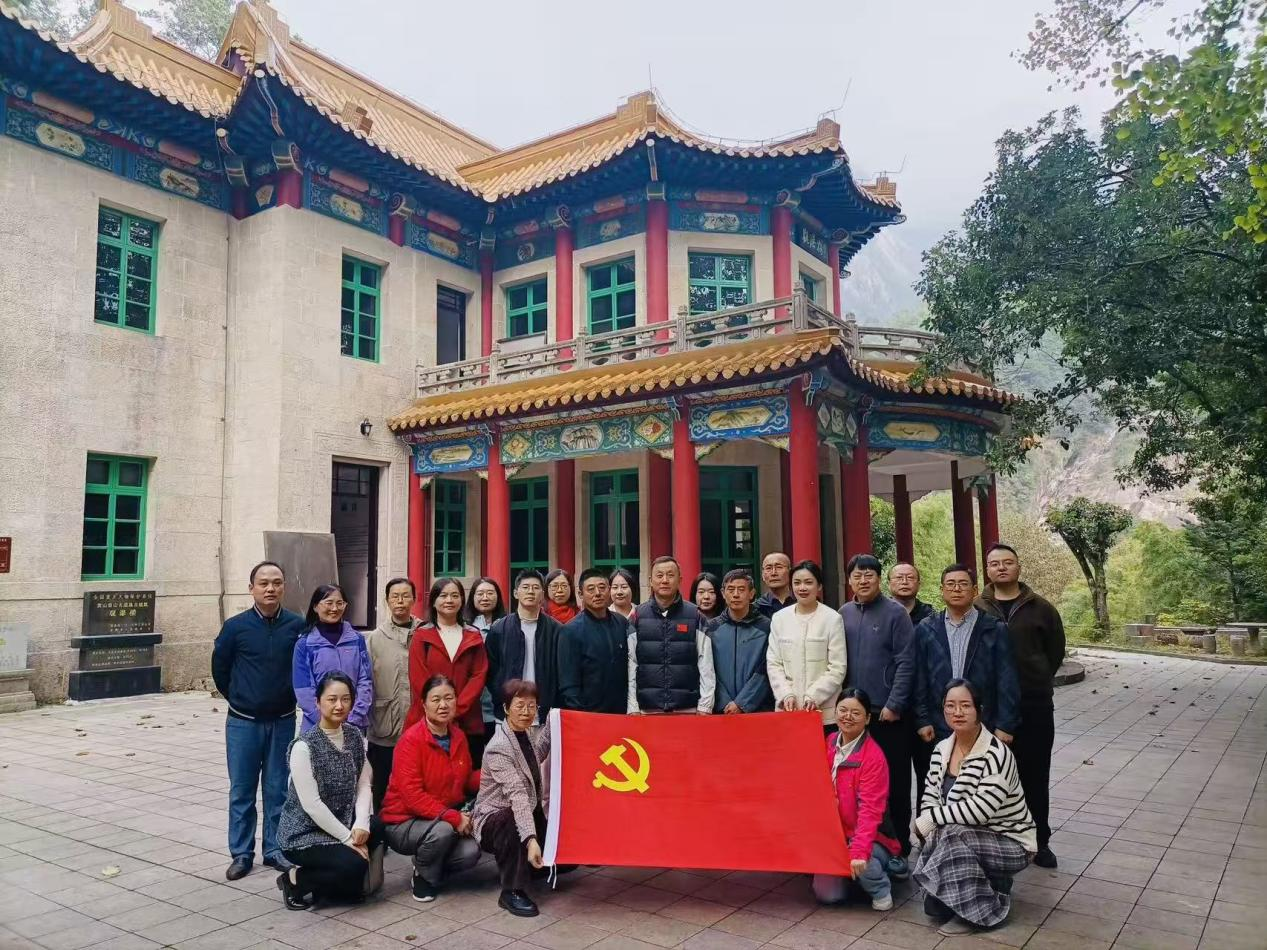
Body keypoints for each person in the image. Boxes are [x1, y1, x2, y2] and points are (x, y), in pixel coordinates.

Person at [913, 679, 1035, 936]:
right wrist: (929, 821)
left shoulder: (996, 754)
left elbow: (980, 811)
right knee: (934, 906)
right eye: (950, 705)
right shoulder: (941, 749)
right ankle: (988, 883)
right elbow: (929, 797)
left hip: (1011, 842)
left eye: (965, 705)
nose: (957, 712)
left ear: (979, 710)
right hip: (965, 836)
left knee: (952, 832)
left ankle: (979, 912)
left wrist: (930, 819)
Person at [211, 561, 307, 880]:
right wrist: (241, 697)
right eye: (263, 583)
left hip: (282, 721)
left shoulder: (297, 625)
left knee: (278, 789)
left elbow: (302, 667)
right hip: (243, 722)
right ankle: (241, 853)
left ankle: (275, 849)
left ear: (284, 587)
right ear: (251, 588)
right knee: (242, 790)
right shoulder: (235, 627)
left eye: (276, 582)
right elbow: (220, 669)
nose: (270, 588)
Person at [977, 542, 1065, 869]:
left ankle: (1039, 841)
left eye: (1007, 562)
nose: (1001, 568)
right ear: (987, 569)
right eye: (995, 563)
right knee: (990, 777)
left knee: (1035, 775)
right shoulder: (978, 608)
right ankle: (996, 840)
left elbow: (1054, 652)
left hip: (1034, 705)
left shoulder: (1041, 608)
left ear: (1018, 567)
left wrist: (1036, 680)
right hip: (990, 709)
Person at [911, 565, 1020, 812]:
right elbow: (919, 678)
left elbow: (1007, 679)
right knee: (936, 784)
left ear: (975, 590)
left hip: (983, 721)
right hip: (939, 721)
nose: (956, 589)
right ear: (942, 590)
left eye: (963, 584)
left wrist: (1006, 724)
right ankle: (931, 830)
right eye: (950, 584)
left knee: (983, 784)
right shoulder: (926, 628)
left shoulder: (994, 628)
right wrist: (922, 719)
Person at [275, 671, 382, 910]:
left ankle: (336, 886)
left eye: (345, 699)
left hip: (341, 819)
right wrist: (348, 839)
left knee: (378, 826)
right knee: (354, 863)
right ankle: (294, 880)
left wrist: (361, 824)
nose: (339, 706)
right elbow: (312, 805)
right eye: (332, 699)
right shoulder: (304, 747)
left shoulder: (354, 735)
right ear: (318, 702)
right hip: (304, 832)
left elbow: (364, 783)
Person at [841, 554, 916, 876]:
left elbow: (906, 662)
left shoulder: (896, 614)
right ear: (849, 580)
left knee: (895, 783)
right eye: (857, 575)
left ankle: (900, 847)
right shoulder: (843, 613)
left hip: (886, 714)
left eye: (869, 575)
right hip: (853, 715)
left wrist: (895, 703)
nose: (863, 580)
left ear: (879, 578)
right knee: (856, 785)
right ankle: (864, 844)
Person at [379, 675, 482, 902]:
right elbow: (412, 796)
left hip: (439, 817)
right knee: (442, 832)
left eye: (449, 698)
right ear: (424, 704)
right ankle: (424, 876)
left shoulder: (458, 736)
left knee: (471, 852)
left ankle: (428, 864)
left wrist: (491, 775)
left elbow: (465, 780)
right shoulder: (411, 740)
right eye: (436, 700)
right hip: (403, 821)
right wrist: (454, 818)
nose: (443, 705)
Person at [811, 688, 903, 911]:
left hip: (871, 837)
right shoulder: (829, 742)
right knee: (828, 895)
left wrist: (859, 852)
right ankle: (851, 876)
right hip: (836, 834)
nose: (847, 717)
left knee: (865, 861)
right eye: (843, 710)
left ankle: (881, 887)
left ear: (868, 718)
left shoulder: (873, 758)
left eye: (856, 712)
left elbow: (870, 812)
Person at [471, 679, 551, 918]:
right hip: (495, 820)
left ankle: (530, 865)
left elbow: (536, 755)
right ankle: (512, 891)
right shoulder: (498, 746)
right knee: (512, 820)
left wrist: (554, 723)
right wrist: (531, 839)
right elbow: (517, 794)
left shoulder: (524, 733)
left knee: (563, 859)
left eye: (532, 706)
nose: (526, 712)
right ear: (506, 708)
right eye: (520, 706)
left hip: (526, 811)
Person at [404, 579, 489, 747]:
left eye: (455, 596)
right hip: (428, 721)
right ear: (433, 601)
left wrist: (456, 708)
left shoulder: (473, 635)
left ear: (462, 600)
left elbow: (479, 675)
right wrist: (439, 707)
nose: (449, 600)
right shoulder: (422, 636)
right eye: (443, 596)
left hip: (467, 722)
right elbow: (418, 678)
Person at [628, 556, 716, 714]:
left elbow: (706, 664)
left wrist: (705, 705)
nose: (665, 580)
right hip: (647, 710)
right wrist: (632, 706)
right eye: (659, 575)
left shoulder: (695, 615)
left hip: (688, 709)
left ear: (680, 580)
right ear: (651, 581)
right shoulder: (637, 616)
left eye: (670, 575)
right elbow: (631, 663)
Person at [767, 560, 847, 732]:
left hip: (823, 712)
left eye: (808, 582)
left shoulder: (832, 619)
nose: (802, 588)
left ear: (819, 586)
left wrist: (814, 695)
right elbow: (774, 663)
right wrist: (785, 693)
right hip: (788, 709)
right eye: (797, 583)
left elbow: (837, 667)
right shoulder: (780, 619)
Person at [365, 577, 423, 811]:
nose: (400, 601)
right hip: (384, 725)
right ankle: (381, 827)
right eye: (395, 596)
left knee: (418, 783)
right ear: (387, 601)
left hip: (419, 723)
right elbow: (366, 680)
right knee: (382, 785)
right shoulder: (375, 638)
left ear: (414, 599)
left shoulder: (425, 633)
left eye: (405, 596)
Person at [293, 584, 373, 734]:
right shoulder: (305, 644)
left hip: (353, 725)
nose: (335, 608)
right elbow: (303, 689)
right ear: (315, 606)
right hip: (317, 727)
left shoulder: (356, 640)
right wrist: (326, 722)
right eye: (329, 603)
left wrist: (354, 717)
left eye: (340, 603)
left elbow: (365, 681)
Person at [486, 570, 561, 721]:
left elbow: (561, 670)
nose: (530, 592)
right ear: (516, 593)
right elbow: (490, 670)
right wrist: (501, 696)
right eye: (525, 587)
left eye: (536, 587)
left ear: (542, 594)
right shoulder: (499, 629)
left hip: (545, 712)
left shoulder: (556, 630)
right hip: (508, 712)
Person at [557, 569, 631, 713]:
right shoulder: (570, 631)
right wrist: (581, 715)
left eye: (602, 588)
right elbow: (568, 684)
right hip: (589, 714)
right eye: (590, 589)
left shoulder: (621, 623)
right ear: (580, 594)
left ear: (609, 590)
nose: (597, 593)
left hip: (622, 712)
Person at [706, 569, 774, 714]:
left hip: (757, 710)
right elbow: (708, 669)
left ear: (751, 593)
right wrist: (724, 702)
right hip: (721, 709)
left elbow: (766, 669)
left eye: (741, 589)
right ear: (723, 593)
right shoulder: (712, 628)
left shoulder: (766, 627)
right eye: (731, 590)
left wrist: (742, 703)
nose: (736, 594)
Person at [464, 577, 506, 766]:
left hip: (498, 701)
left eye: (490, 593)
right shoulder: (463, 627)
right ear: (472, 597)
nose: (485, 598)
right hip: (471, 703)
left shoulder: (507, 625)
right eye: (480, 594)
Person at [755, 552, 796, 619]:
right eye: (768, 568)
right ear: (763, 575)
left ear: (790, 572)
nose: (773, 573)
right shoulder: (757, 608)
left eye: (779, 567)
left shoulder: (801, 602)